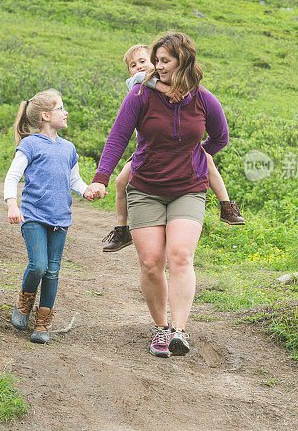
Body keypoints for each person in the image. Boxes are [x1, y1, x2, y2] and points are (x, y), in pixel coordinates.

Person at [85, 32, 228, 358]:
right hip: (146, 189)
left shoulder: (204, 99)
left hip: (188, 189)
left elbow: (220, 138)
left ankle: (179, 330)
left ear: (183, 61)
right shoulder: (140, 95)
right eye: (157, 60)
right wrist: (101, 179)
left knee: (180, 256)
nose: (158, 67)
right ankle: (160, 327)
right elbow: (118, 137)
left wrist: (196, 155)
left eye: (165, 61)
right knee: (151, 263)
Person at [102, 44, 244, 253]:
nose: (140, 67)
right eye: (133, 65)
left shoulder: (200, 96)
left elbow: (221, 137)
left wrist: (193, 155)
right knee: (121, 180)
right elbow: (142, 81)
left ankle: (226, 205)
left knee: (207, 160)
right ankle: (122, 228)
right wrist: (165, 88)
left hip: (186, 161)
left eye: (144, 62)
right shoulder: (137, 85)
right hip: (146, 153)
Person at [4, 89, 92, 344]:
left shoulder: (68, 148)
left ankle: (43, 320)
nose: (66, 113)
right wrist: (12, 204)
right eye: (60, 108)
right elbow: (12, 177)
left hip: (60, 219)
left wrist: (87, 191)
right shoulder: (29, 144)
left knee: (52, 271)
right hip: (32, 216)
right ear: (45, 116)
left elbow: (74, 180)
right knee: (39, 265)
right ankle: (24, 303)